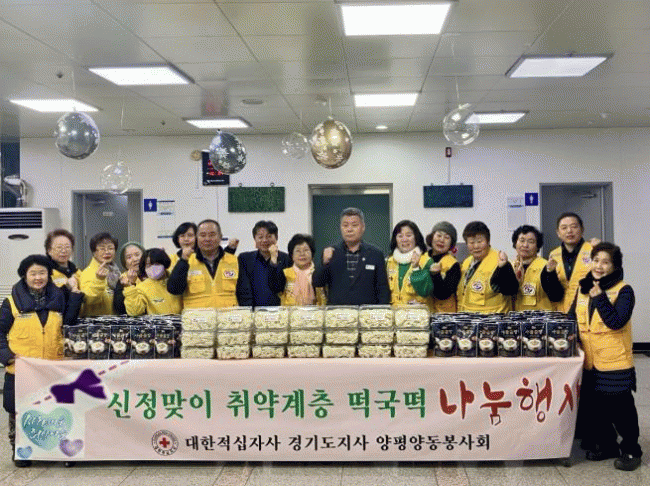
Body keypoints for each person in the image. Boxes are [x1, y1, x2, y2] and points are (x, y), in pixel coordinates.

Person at [0, 255, 83, 468]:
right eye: (33, 273)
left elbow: (69, 322)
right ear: (24, 276)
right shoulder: (11, 303)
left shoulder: (58, 297)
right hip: (22, 369)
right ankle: (21, 451)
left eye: (42, 273)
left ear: (49, 275)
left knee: (57, 411)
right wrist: (7, 356)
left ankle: (61, 452)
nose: (38, 278)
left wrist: (75, 293)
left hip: (53, 367)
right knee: (19, 411)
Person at [569, 243, 642, 471]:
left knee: (621, 411)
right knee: (596, 408)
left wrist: (600, 297)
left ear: (614, 266)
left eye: (605, 262)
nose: (599, 266)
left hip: (615, 362)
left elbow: (616, 322)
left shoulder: (624, 290)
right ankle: (608, 445)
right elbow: (572, 317)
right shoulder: (583, 288)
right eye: (596, 260)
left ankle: (631, 450)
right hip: (589, 361)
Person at [312, 207, 390, 305]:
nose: (349, 229)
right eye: (345, 225)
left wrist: (381, 312)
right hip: (337, 312)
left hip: (366, 312)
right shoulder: (331, 252)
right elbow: (317, 282)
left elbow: (383, 290)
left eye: (354, 225)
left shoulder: (375, 254)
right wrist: (324, 262)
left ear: (363, 227)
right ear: (340, 228)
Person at [167, 219, 247, 308]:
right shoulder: (186, 261)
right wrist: (183, 261)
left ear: (220, 237)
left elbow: (245, 293)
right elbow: (174, 290)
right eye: (202, 235)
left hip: (228, 315)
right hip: (196, 316)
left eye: (212, 235)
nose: (207, 239)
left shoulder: (234, 261)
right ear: (197, 238)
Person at [456, 221, 518, 313]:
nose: (476, 246)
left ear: (488, 241)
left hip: (492, 319)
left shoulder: (499, 261)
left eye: (480, 241)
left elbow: (510, 289)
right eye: (471, 242)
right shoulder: (466, 262)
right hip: (468, 318)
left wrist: (504, 267)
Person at [547, 212, 597, 313]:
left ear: (582, 230)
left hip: (587, 309)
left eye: (574, 227)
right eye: (564, 228)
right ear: (558, 233)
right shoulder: (554, 255)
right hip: (561, 311)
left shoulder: (594, 250)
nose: (569, 231)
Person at [236, 220, 290, 307]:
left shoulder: (286, 259)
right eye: (260, 237)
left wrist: (274, 261)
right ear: (255, 239)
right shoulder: (245, 259)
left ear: (276, 238)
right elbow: (243, 289)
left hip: (280, 310)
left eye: (269, 236)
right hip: (253, 311)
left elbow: (280, 287)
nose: (264, 240)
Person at [511, 225, 562, 311]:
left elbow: (556, 295)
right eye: (522, 240)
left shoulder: (546, 267)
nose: (525, 245)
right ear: (515, 243)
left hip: (541, 317)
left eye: (531, 242)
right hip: (517, 317)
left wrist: (550, 273)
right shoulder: (511, 266)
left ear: (538, 246)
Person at [268, 234, 326, 305]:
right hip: (290, 311)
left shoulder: (319, 273)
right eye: (298, 251)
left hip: (316, 311)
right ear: (292, 255)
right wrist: (273, 258)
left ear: (312, 253)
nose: (302, 254)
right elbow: (274, 287)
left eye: (306, 250)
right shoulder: (285, 273)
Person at [385, 220, 431, 307]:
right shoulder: (389, 262)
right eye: (400, 236)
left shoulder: (426, 261)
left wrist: (416, 268)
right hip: (394, 312)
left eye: (409, 235)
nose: (404, 239)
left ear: (416, 238)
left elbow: (425, 292)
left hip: (417, 313)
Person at [124, 248, 182, 316]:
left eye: (156, 263)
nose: (153, 267)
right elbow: (134, 312)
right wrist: (130, 287)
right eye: (148, 265)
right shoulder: (142, 287)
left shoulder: (176, 280)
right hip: (159, 322)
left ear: (164, 262)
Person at [79, 232, 121, 316]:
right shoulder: (87, 273)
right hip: (96, 322)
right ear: (94, 252)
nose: (107, 252)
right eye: (102, 249)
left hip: (114, 320)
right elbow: (88, 300)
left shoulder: (116, 272)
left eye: (110, 248)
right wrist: (99, 280)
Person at [423, 221, 460, 313]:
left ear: (451, 244)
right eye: (439, 235)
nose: (441, 240)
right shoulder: (421, 258)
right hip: (423, 314)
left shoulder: (454, 265)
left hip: (444, 316)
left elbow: (443, 294)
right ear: (432, 237)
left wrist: (436, 275)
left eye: (447, 237)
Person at [113, 241, 145, 315]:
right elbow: (119, 309)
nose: (135, 259)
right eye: (129, 257)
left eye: (137, 255)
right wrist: (130, 284)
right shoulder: (122, 280)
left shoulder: (153, 275)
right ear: (125, 264)